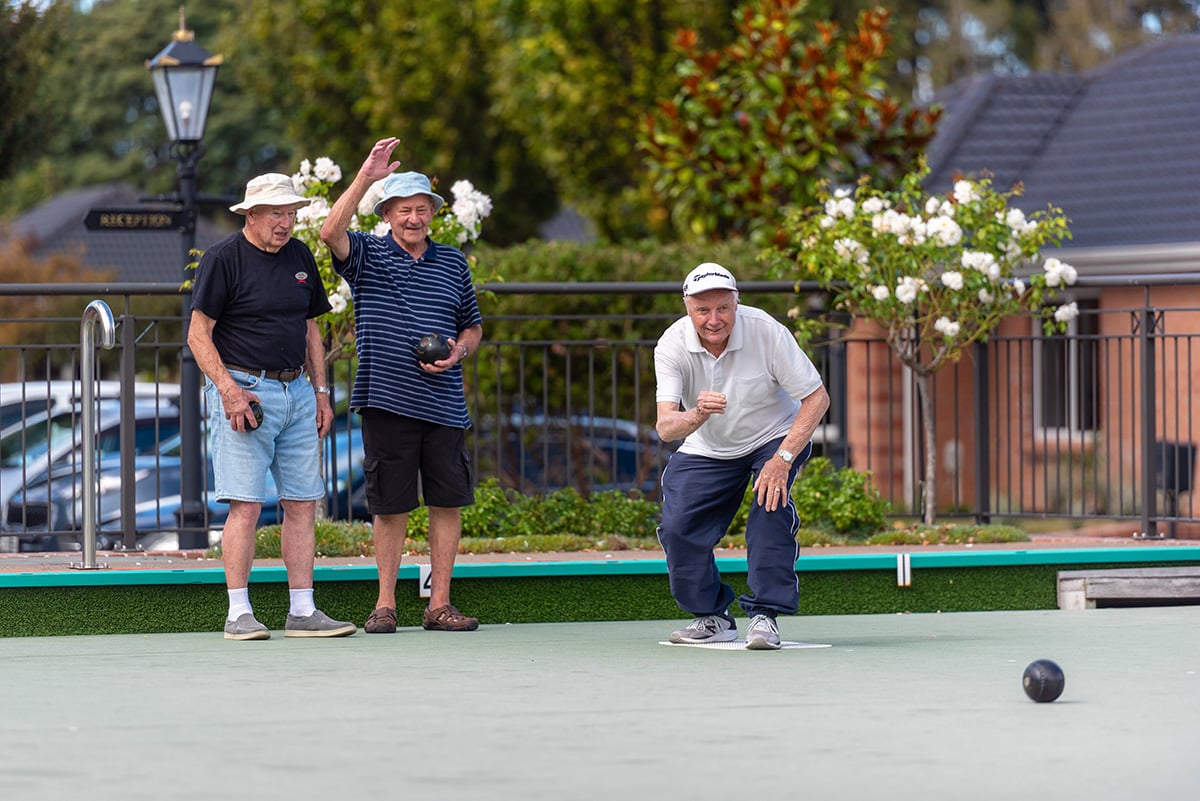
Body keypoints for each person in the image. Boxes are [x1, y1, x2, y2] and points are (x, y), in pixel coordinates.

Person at [320, 137, 483, 634]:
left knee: (446, 502)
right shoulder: (368, 253)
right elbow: (330, 231)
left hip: (444, 402)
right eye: (404, 210)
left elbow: (472, 326)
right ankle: (385, 605)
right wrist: (365, 176)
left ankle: (439, 605)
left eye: (422, 209)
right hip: (386, 398)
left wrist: (457, 351)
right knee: (389, 504)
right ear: (387, 213)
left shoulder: (453, 261)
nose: (415, 218)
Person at [189, 173, 357, 641]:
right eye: (277, 215)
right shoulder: (223, 259)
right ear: (252, 215)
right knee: (245, 505)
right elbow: (198, 334)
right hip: (246, 390)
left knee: (303, 503)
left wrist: (321, 394)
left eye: (291, 214)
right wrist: (229, 391)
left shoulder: (301, 256)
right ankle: (238, 613)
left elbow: (311, 330)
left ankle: (303, 611)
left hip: (298, 392)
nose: (286, 223)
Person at [654, 262, 830, 650]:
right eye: (703, 310)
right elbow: (666, 427)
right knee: (679, 527)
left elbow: (817, 398)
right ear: (687, 308)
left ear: (737, 303)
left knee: (770, 507)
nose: (714, 320)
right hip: (708, 445)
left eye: (723, 308)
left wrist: (782, 459)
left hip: (773, 437)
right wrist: (698, 413)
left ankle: (765, 615)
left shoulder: (766, 331)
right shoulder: (671, 345)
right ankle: (713, 617)